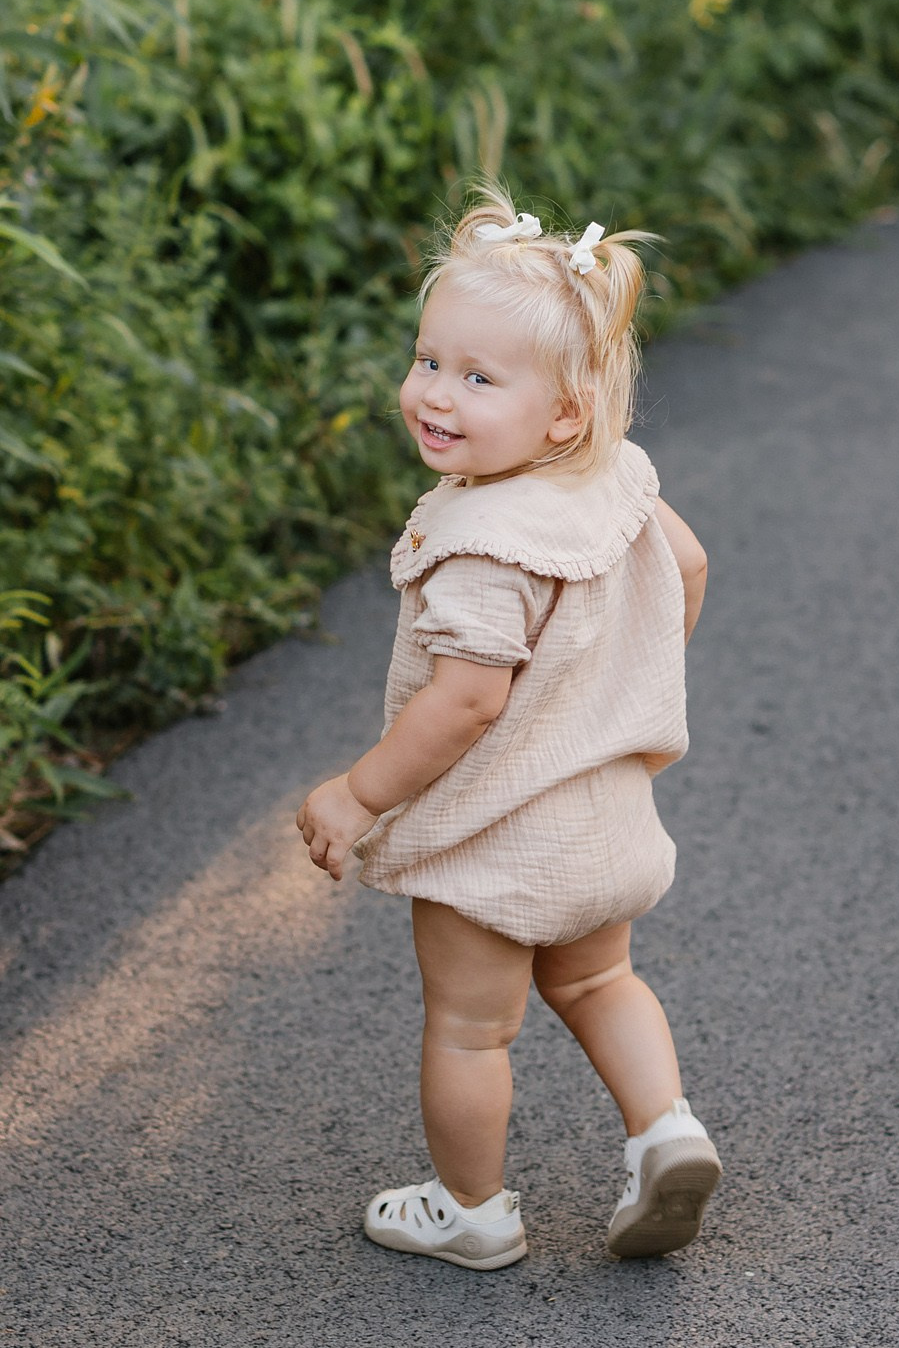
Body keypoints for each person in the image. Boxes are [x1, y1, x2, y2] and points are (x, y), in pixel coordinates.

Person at [295, 185, 719, 1270]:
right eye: (429, 360)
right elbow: (686, 566)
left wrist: (357, 793)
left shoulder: (483, 543)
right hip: (600, 822)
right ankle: (666, 1132)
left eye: (479, 378)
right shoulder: (612, 479)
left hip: (491, 840)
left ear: (563, 413)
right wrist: (618, 686)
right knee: (598, 981)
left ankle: (472, 1210)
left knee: (470, 1027)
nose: (437, 393)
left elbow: (468, 700)